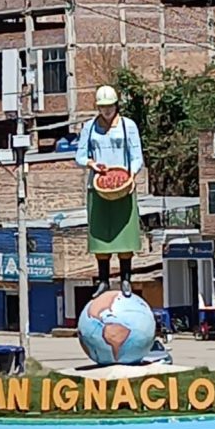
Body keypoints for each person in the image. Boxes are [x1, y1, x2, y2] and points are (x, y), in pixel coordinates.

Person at [74, 85, 144, 297]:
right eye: (102, 107)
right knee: (100, 238)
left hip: (124, 187)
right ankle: (103, 280)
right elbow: (80, 156)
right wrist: (92, 165)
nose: (106, 110)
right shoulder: (89, 127)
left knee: (125, 238)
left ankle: (125, 279)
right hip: (97, 186)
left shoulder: (128, 126)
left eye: (110, 106)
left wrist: (130, 176)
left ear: (116, 105)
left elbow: (137, 156)